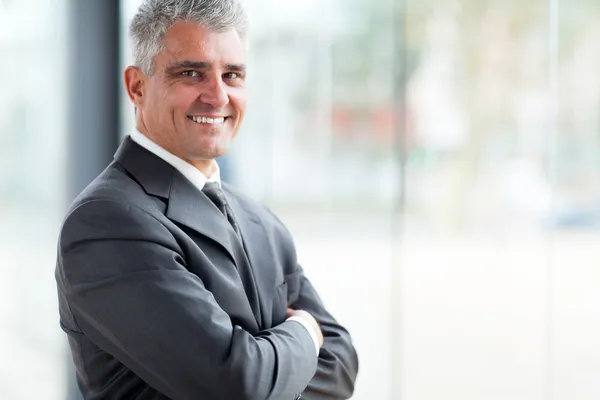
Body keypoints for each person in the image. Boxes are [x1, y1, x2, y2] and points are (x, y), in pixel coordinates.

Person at [54, 0, 359, 399]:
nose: (218, 97)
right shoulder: (107, 223)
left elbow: (340, 365)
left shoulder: (260, 221)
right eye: (191, 73)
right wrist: (304, 331)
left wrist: (269, 371)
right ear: (137, 86)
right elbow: (235, 385)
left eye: (232, 75)